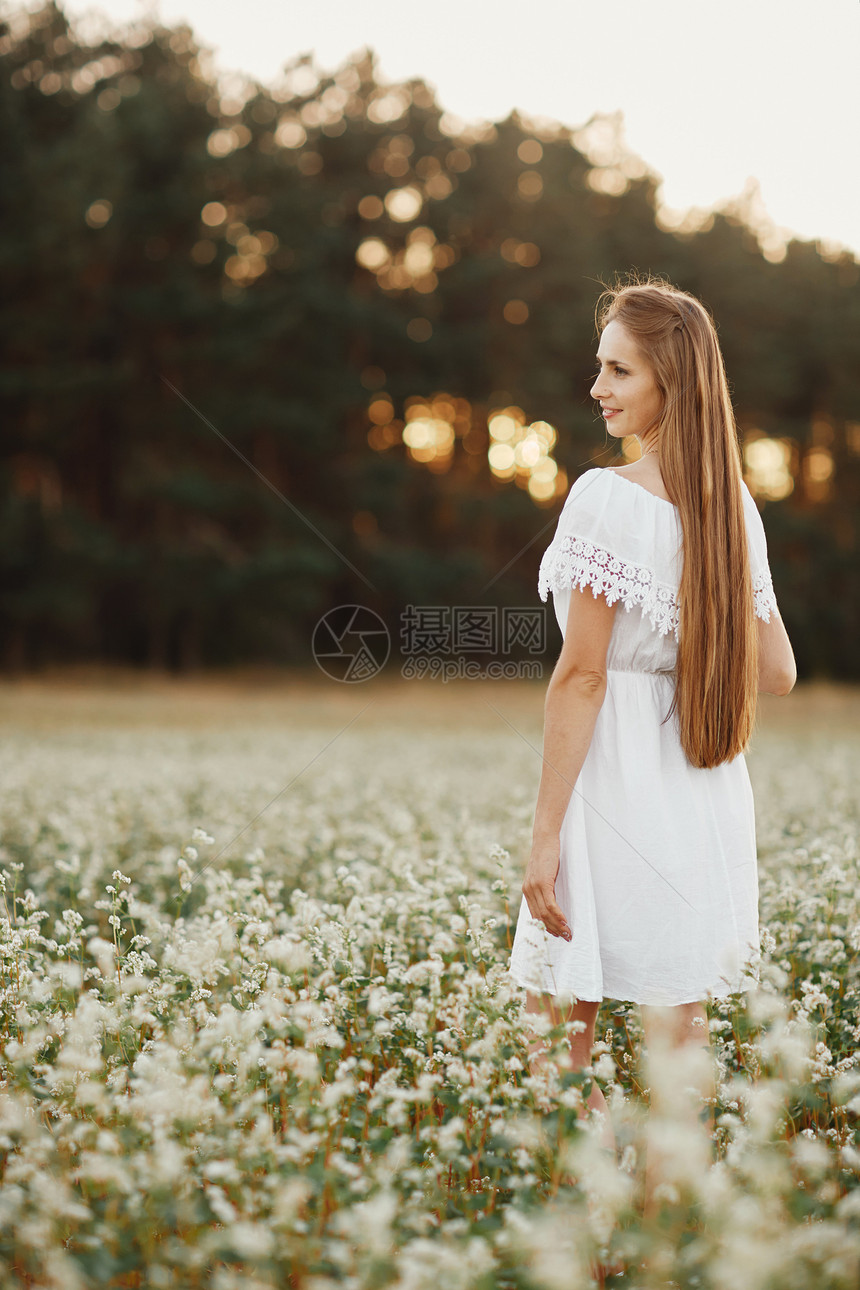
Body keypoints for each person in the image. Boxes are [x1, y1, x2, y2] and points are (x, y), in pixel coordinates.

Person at [506, 275, 797, 1216]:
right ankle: (674, 1236)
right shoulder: (732, 509)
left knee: (557, 1027)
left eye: (618, 369)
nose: (597, 387)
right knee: (680, 1036)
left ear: (670, 378)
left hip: (615, 784)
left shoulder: (606, 499)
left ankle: (587, 1226)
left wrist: (544, 834)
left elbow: (582, 677)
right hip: (704, 786)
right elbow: (780, 671)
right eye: (599, 367)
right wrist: (695, 649)